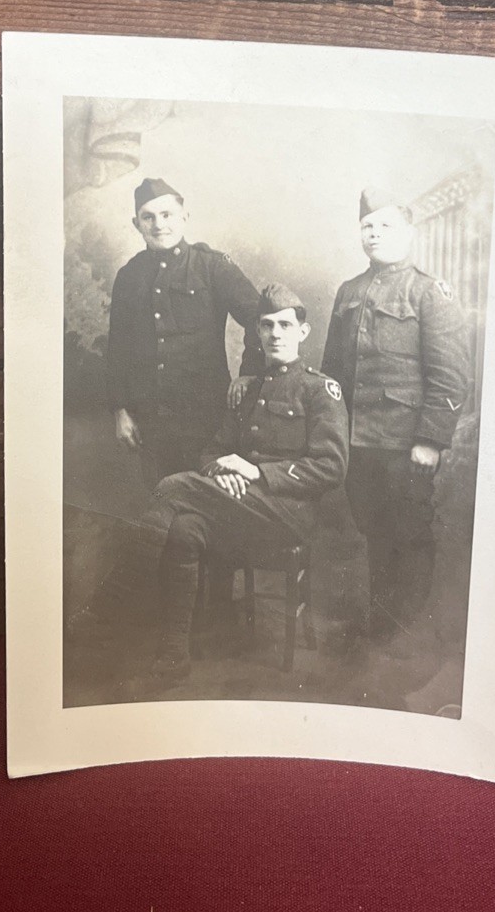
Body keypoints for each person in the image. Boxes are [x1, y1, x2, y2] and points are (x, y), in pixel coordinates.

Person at [148, 284, 349, 681]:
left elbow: (331, 467)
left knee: (172, 487)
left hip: (287, 513)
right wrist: (222, 472)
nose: (275, 334)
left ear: (302, 333)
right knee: (185, 528)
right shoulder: (249, 390)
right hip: (235, 505)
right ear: (257, 332)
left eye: (285, 325)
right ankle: (175, 651)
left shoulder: (320, 390)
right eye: (266, 326)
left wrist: (257, 473)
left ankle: (126, 587)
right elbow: (212, 451)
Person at [322, 187, 471, 647]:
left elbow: (450, 377)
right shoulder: (349, 291)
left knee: (409, 534)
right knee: (372, 531)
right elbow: (330, 373)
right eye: (368, 226)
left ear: (409, 232)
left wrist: (430, 441)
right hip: (357, 440)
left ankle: (406, 632)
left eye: (385, 225)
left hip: (406, 444)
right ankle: (380, 623)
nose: (374, 233)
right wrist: (329, 432)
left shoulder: (429, 293)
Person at [106, 178, 265, 483]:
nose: (158, 224)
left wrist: (249, 373)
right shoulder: (129, 276)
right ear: (136, 223)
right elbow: (117, 349)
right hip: (150, 420)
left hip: (208, 418)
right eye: (148, 217)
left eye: (166, 215)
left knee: (211, 504)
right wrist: (120, 410)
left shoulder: (212, 266)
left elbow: (261, 318)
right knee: (162, 503)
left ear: (184, 217)